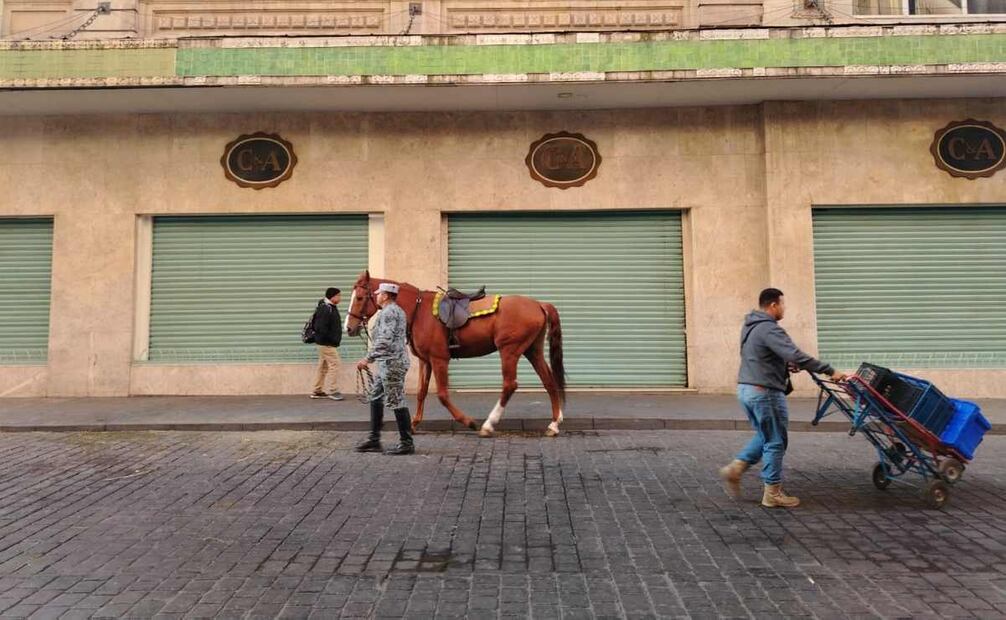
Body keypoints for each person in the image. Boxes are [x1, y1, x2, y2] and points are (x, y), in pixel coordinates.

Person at [720, 288, 846, 508]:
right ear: (773, 305)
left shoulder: (750, 326)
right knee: (776, 441)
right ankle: (772, 493)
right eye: (783, 305)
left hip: (747, 389)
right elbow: (795, 354)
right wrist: (829, 370)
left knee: (765, 435)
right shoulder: (769, 328)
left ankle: (736, 468)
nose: (784, 309)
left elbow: (760, 356)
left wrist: (785, 365)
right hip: (764, 391)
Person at [355, 282, 414, 455]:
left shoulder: (390, 312)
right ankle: (374, 440)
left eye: (379, 293)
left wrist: (367, 358)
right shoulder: (390, 311)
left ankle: (407, 443)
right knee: (375, 397)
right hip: (385, 363)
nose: (376, 296)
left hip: (392, 363)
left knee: (397, 400)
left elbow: (385, 340)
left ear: (386, 295)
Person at [309, 287, 344, 401]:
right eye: (338, 295)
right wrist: (330, 340)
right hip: (326, 343)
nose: (340, 298)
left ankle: (317, 390)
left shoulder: (330, 307)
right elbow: (320, 327)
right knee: (335, 364)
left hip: (325, 343)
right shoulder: (326, 308)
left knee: (323, 367)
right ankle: (333, 390)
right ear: (332, 296)